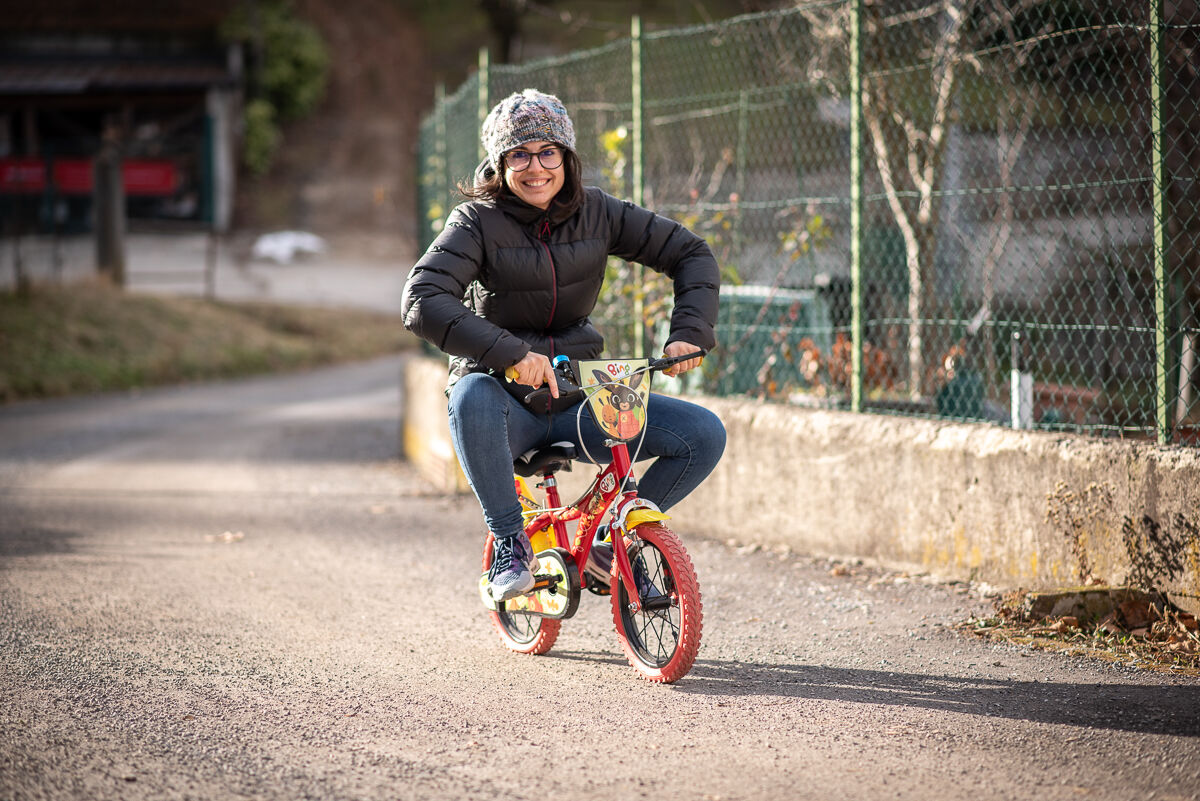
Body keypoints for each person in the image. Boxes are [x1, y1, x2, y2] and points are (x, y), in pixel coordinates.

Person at [402, 89, 725, 603]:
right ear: (499, 164)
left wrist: (690, 330)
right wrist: (510, 354)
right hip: (505, 404)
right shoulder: (475, 223)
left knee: (703, 435)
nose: (536, 168)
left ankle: (614, 540)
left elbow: (691, 253)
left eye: (548, 151)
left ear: (567, 158)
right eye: (519, 155)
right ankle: (511, 542)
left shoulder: (599, 212)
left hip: (578, 394)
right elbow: (422, 299)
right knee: (469, 395)